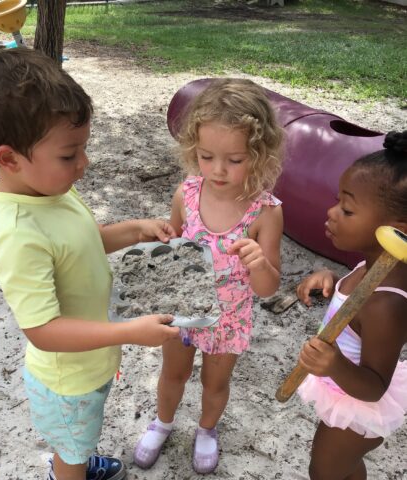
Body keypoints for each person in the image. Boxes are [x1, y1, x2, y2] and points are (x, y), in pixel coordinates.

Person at [0, 48, 180, 480]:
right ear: (9, 159)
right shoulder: (18, 233)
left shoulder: (51, 191)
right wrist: (129, 333)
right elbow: (42, 330)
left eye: (82, 150)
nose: (83, 165)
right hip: (68, 380)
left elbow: (83, 243)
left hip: (92, 361)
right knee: (73, 444)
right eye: (69, 155)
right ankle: (69, 469)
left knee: (80, 436)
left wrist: (133, 230)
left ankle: (76, 458)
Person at [133, 78, 284, 473]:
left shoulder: (266, 212)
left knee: (215, 384)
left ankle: (206, 430)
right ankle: (163, 423)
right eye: (206, 156)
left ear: (260, 153)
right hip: (184, 310)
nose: (218, 170)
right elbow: (175, 253)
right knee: (173, 372)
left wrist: (258, 263)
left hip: (230, 319)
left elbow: (268, 288)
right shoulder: (186, 193)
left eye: (235, 160)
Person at [296, 131, 407, 480]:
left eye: (346, 209)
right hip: (341, 389)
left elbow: (375, 387)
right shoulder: (376, 265)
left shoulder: (386, 305)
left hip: (359, 405)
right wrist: (330, 276)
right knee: (341, 470)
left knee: (325, 472)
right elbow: (354, 290)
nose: (331, 212)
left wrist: (334, 365)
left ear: (397, 230)